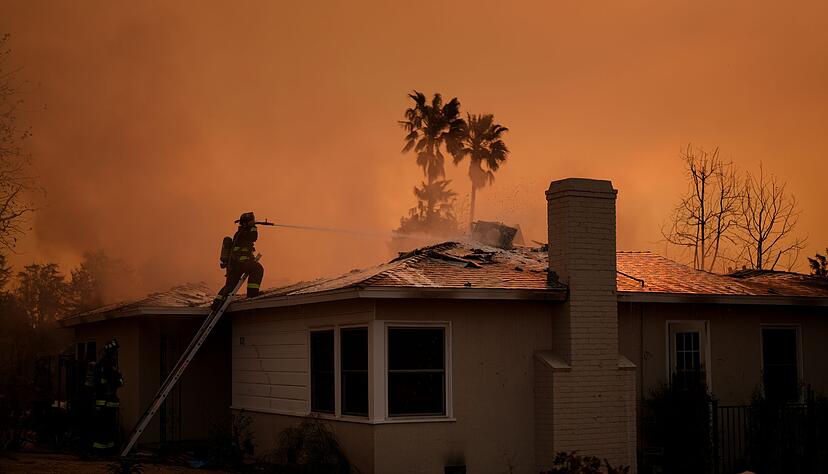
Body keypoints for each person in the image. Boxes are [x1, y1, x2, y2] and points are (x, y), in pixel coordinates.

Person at [211, 212, 265, 311]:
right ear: (247, 222)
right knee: (257, 269)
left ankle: (216, 303)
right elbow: (253, 237)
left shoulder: (240, 233)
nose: (254, 222)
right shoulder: (244, 233)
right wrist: (253, 227)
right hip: (241, 263)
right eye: (252, 220)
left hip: (234, 266)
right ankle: (252, 293)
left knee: (230, 286)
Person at [91, 339, 123, 453]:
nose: (115, 354)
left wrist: (116, 381)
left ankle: (109, 448)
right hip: (104, 403)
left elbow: (120, 381)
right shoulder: (104, 364)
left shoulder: (111, 364)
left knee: (110, 427)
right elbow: (101, 382)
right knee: (103, 427)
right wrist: (113, 382)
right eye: (114, 352)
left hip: (110, 402)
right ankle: (100, 449)